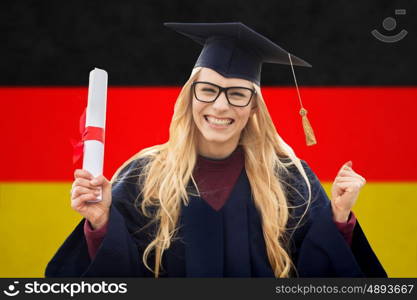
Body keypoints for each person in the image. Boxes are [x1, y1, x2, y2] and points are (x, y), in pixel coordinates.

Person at [45, 22, 386, 278]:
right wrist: (102, 223)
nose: (220, 106)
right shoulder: (143, 176)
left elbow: (318, 274)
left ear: (254, 106)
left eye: (237, 93)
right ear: (190, 96)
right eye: (208, 90)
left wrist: (338, 217)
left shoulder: (291, 180)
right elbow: (117, 278)